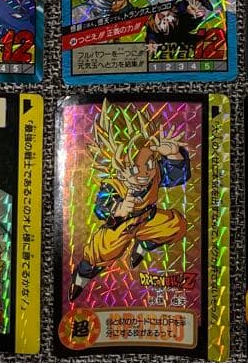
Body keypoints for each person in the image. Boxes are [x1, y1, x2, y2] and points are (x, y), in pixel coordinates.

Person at [68, 103, 191, 300]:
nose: (143, 174)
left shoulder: (155, 171)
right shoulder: (113, 184)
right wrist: (117, 210)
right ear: (117, 169)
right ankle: (82, 275)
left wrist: (174, 155)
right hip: (120, 226)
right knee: (101, 251)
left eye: (149, 164)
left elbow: (177, 177)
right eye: (133, 169)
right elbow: (101, 207)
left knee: (176, 225)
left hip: (148, 218)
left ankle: (145, 244)